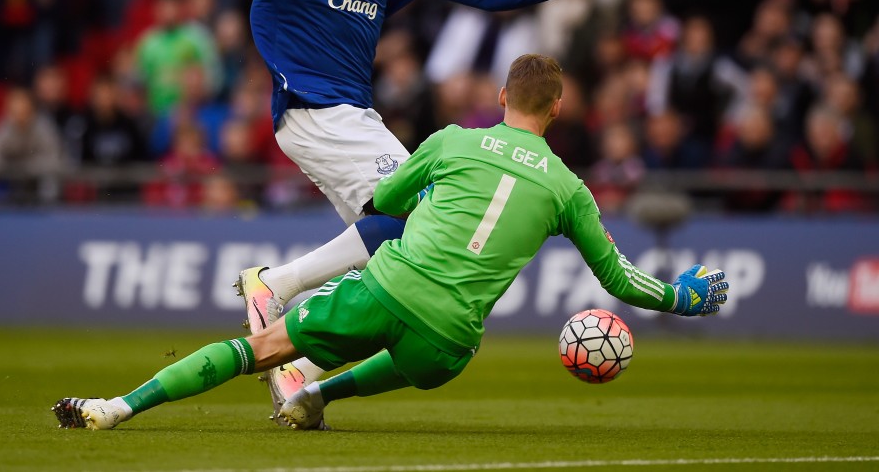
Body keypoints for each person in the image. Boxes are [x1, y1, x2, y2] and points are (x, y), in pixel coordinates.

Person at [38, 0, 624, 414]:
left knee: (404, 247)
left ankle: (301, 367)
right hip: (314, 108)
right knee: (420, 214)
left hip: (350, 114)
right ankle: (277, 284)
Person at [51, 54, 729, 431]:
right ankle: (321, 397)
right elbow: (618, 280)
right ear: (557, 109)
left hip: (386, 290)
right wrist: (683, 297)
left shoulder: (454, 142)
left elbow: (385, 204)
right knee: (419, 357)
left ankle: (119, 408)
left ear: (501, 96)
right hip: (449, 345)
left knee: (258, 350)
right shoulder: (570, 189)